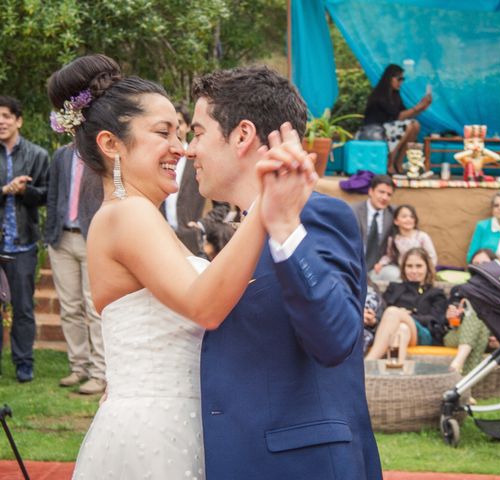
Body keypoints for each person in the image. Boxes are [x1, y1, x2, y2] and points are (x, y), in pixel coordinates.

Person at [47, 54, 315, 479]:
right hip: (158, 432)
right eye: (163, 132)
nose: (182, 147)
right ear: (111, 144)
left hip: (172, 421)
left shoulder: (135, 217)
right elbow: (204, 306)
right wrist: (268, 199)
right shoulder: (126, 215)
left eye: (182, 132)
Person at [189, 66, 382, 479]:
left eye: (198, 132)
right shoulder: (239, 230)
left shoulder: (319, 215)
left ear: (242, 135)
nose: (190, 149)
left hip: (302, 465)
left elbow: (335, 340)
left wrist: (286, 229)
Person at [44, 144, 105, 394]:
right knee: (69, 307)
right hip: (62, 240)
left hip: (93, 237)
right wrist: (50, 235)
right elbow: (52, 195)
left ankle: (100, 372)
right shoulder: (61, 155)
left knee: (94, 308)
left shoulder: (101, 153)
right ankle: (77, 366)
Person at [0, 95, 49, 383]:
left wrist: (24, 193)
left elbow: (45, 195)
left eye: (7, 115)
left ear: (18, 120)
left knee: (23, 308)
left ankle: (24, 363)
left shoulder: (38, 155)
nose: (1, 121)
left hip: (23, 245)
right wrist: (5, 190)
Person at [364, 247, 447, 365]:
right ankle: (397, 372)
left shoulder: (436, 293)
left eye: (419, 266)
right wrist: (374, 320)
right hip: (398, 330)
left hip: (423, 333)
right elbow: (382, 312)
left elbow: (436, 321)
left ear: (427, 268)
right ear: (403, 268)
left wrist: (407, 315)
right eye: (409, 266)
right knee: (402, 329)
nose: (414, 271)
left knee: (393, 312)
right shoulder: (394, 288)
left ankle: (368, 363)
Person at [362, 64, 432, 175]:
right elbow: (398, 116)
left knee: (415, 125)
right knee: (408, 126)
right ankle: (390, 162)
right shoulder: (380, 95)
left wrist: (422, 107)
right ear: (390, 78)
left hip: (389, 128)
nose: (401, 82)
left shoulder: (395, 95)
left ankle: (398, 163)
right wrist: (418, 107)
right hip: (374, 130)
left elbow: (406, 115)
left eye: (402, 79)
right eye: (399, 79)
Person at [159, 102, 206, 254]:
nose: (177, 130)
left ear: (187, 126)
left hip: (191, 242)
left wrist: (201, 225)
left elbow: (222, 206)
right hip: (162, 241)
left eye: (179, 124)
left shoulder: (198, 159)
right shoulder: (159, 159)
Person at [373, 204, 437, 283]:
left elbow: (431, 257)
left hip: (419, 272)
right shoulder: (394, 239)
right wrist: (381, 264)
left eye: (411, 217)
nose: (408, 219)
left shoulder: (422, 237)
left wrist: (427, 271)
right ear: (396, 221)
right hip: (403, 271)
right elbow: (390, 256)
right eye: (404, 216)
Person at [352, 174, 395, 275]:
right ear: (370, 191)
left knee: (393, 274)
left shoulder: (393, 214)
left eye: (389, 194)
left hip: (378, 268)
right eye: (381, 192)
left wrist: (383, 263)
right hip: (354, 263)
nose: (385, 197)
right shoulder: (354, 211)